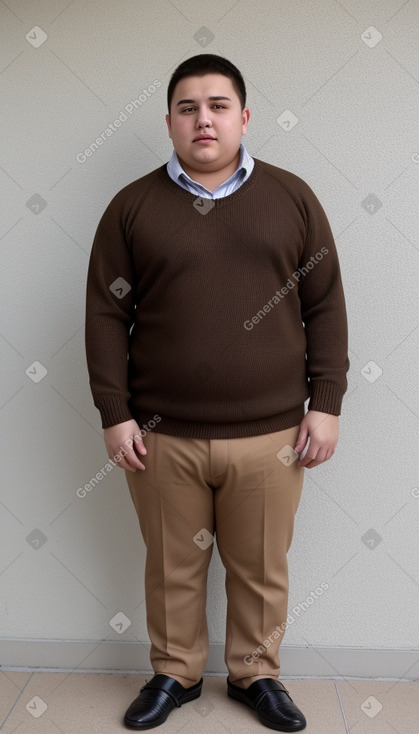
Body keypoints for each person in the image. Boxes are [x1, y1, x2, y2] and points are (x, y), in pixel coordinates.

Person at [85, 53, 349, 732]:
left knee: (260, 569)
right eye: (187, 107)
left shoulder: (291, 198)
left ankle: (255, 676)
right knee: (172, 566)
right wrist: (114, 414)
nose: (203, 119)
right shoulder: (132, 208)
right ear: (170, 121)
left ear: (243, 116)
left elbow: (323, 306)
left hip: (271, 437)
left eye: (217, 105)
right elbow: (105, 314)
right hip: (159, 436)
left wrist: (325, 402)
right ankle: (174, 673)